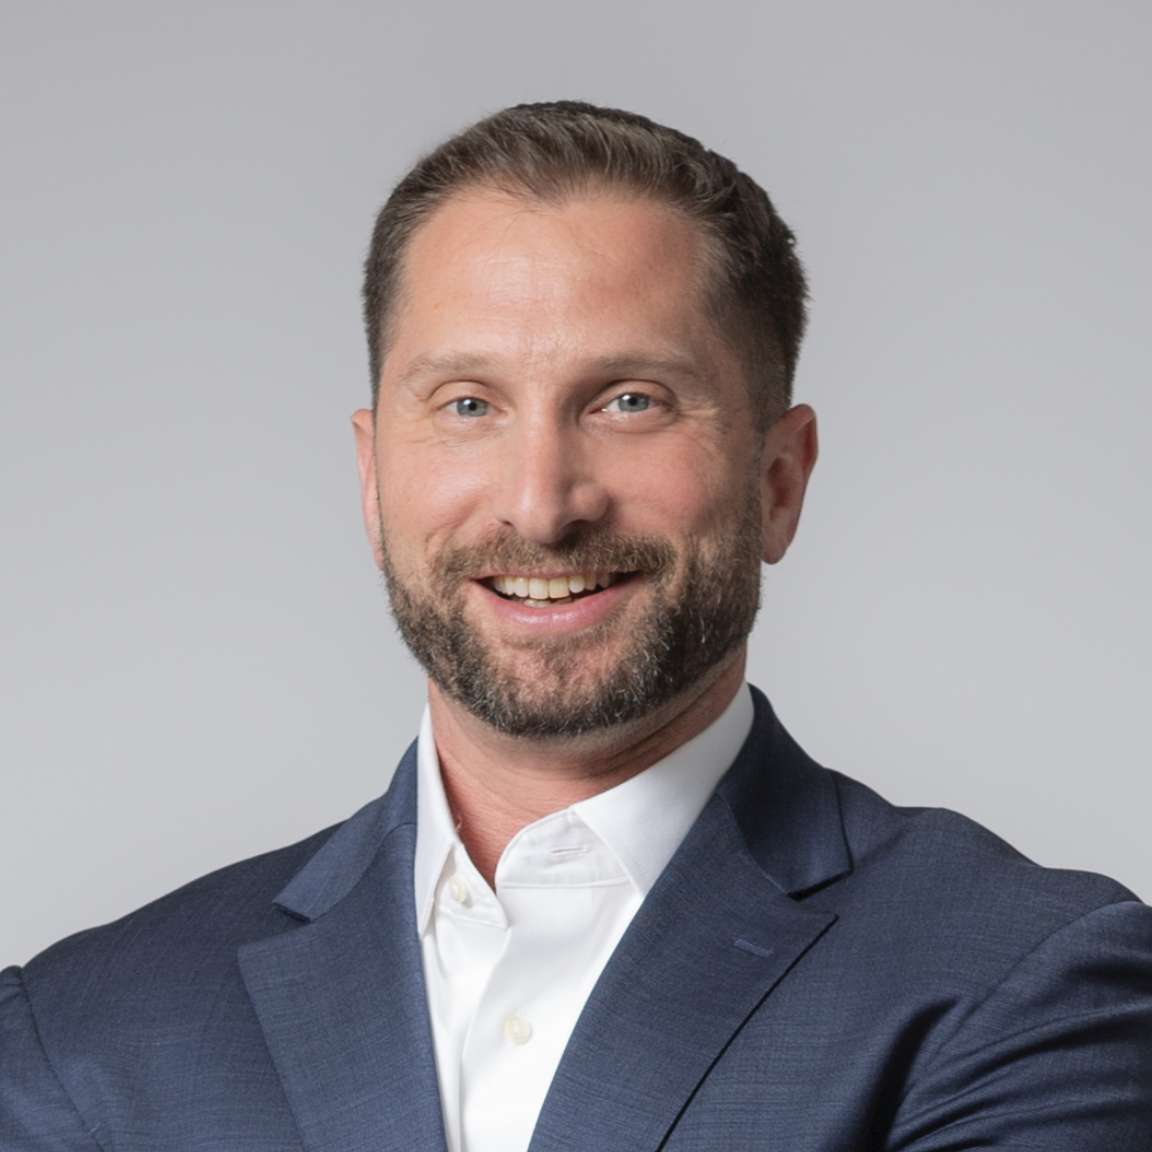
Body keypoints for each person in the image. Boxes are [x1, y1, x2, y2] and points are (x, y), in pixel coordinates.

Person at [2, 100, 1149, 1151]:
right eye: (467, 405)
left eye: (630, 401)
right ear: (372, 480)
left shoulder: (1025, 987)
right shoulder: (79, 1035)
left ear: (779, 481)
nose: (542, 504)